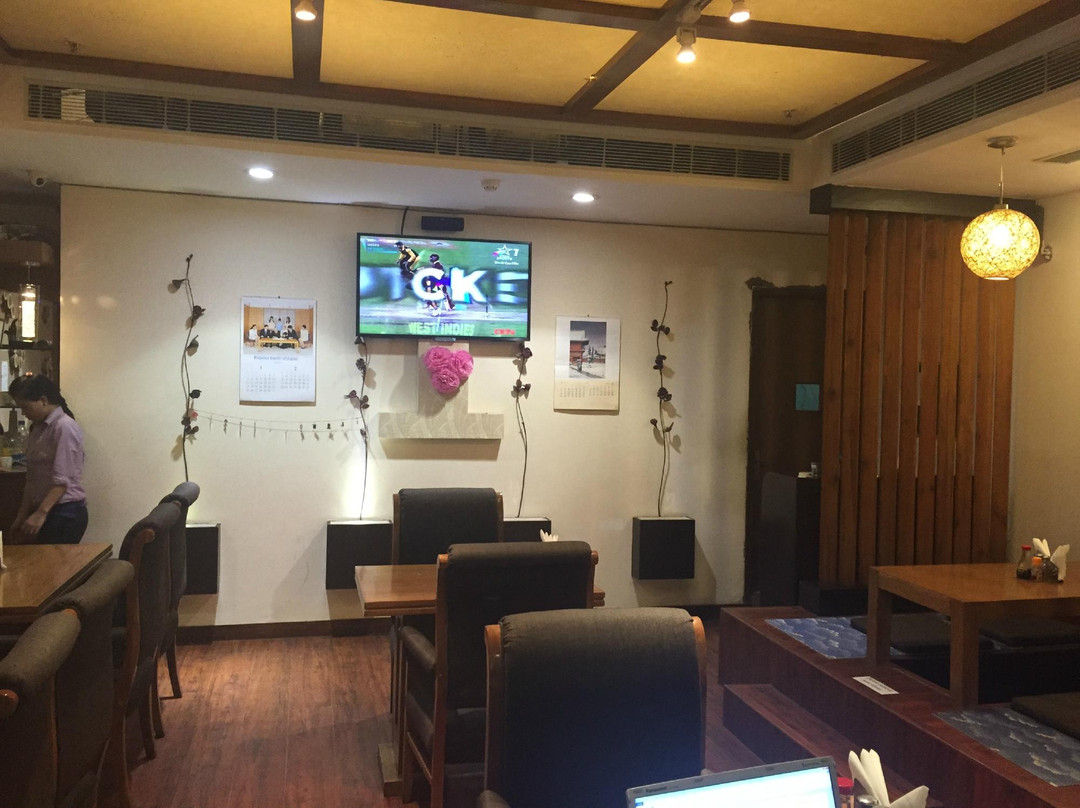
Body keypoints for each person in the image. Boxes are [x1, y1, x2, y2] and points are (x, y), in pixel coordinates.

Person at [8, 374, 87, 544]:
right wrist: (22, 516)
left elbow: (62, 480)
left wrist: (40, 513)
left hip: (64, 512)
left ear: (43, 400)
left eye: (25, 407)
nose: (24, 413)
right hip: (45, 509)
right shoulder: (37, 428)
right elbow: (31, 479)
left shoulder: (64, 427)